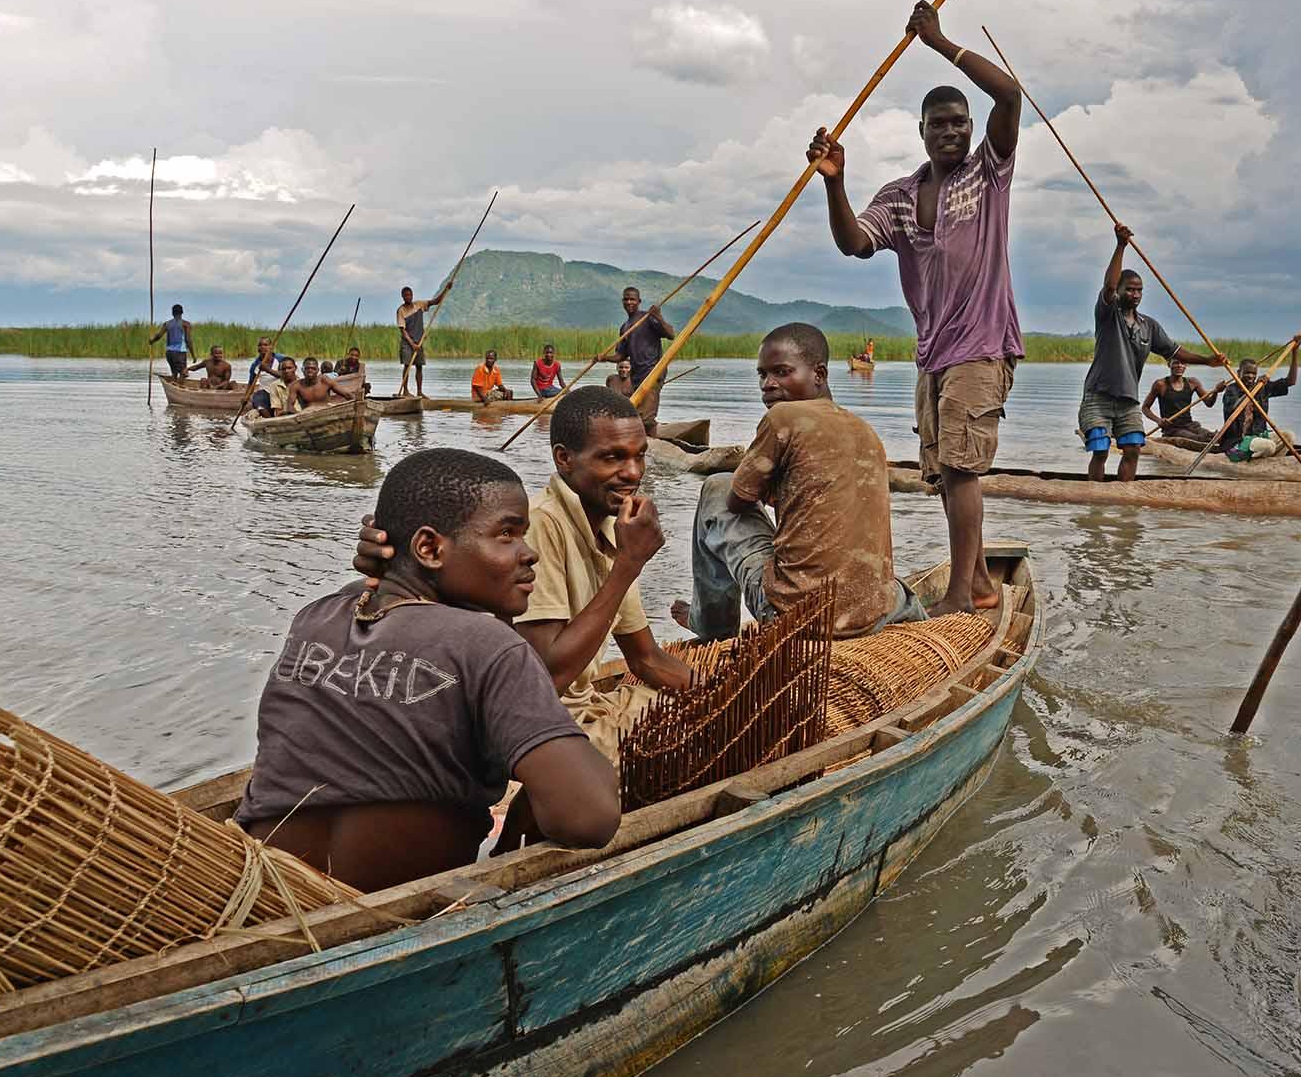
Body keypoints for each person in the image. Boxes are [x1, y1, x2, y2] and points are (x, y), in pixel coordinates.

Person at [235, 448, 620, 893]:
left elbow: (386, 598)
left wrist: (394, 562)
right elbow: (592, 819)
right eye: (507, 534)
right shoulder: (490, 646)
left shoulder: (317, 616)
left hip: (268, 888)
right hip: (389, 909)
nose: (529, 553)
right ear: (430, 548)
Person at [808, 0, 1023, 614]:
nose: (952, 131)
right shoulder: (902, 195)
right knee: (942, 471)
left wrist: (939, 41)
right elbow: (855, 243)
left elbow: (1008, 96)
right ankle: (979, 578)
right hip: (933, 351)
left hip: (981, 342)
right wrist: (834, 181)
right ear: (923, 133)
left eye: (960, 121)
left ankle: (963, 591)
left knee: (961, 468)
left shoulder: (988, 173)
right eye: (940, 124)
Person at [356, 387, 694, 764]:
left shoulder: (617, 533)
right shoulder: (540, 525)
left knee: (699, 717)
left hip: (583, 710)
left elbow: (644, 657)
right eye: (612, 457)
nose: (632, 473)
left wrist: (713, 693)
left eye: (639, 456)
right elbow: (546, 678)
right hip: (542, 723)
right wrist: (629, 565)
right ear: (564, 459)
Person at [669, 323, 926, 643]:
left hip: (795, 615)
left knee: (717, 488)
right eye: (762, 375)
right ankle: (916, 616)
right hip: (875, 610)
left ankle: (711, 625)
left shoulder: (783, 419)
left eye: (781, 372)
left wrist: (764, 488)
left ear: (818, 374)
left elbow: (736, 503)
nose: (768, 384)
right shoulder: (865, 430)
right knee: (893, 587)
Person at [1079, 223, 1227, 482]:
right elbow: (1109, 286)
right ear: (1121, 291)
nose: (1135, 294)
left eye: (1139, 290)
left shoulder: (1149, 325)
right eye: (1130, 289)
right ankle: (1095, 501)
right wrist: (1121, 245)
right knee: (1101, 450)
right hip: (1099, 395)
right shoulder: (1108, 314)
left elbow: (1175, 351)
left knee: (1134, 448)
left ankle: (1125, 497)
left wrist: (1207, 360)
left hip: (1128, 400)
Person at [598, 286, 674, 434]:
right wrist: (604, 358)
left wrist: (659, 316)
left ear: (639, 301)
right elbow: (621, 356)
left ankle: (652, 444)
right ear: (622, 302)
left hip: (653, 371)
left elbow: (671, 335)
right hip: (637, 376)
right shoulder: (625, 327)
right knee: (637, 414)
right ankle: (644, 439)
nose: (629, 302)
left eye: (632, 299)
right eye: (626, 299)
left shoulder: (648, 318)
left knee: (646, 418)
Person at [1219, 345, 1301, 461]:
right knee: (1269, 446)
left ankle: (1272, 462)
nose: (1251, 376)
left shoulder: (1262, 387)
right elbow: (1235, 407)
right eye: (1247, 373)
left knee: (1289, 436)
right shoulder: (1231, 390)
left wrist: (1295, 352)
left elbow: (1291, 381)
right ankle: (1254, 459)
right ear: (1238, 373)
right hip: (1237, 440)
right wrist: (1253, 388)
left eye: (1254, 373)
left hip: (1259, 435)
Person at [1144, 360, 1219, 447]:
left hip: (1190, 425)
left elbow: (1209, 403)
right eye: (1176, 363)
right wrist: (1158, 420)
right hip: (1173, 429)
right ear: (1169, 364)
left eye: (1183, 363)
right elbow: (1145, 407)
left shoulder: (1193, 382)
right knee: (1199, 440)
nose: (1180, 366)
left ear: (1186, 365)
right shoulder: (1160, 384)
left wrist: (1216, 392)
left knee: (1214, 436)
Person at [395, 283, 449, 399]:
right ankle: (405, 391)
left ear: (412, 295)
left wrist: (445, 290)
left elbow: (435, 302)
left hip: (418, 342)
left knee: (419, 366)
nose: (408, 297)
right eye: (406, 295)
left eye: (410, 295)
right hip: (408, 342)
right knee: (407, 365)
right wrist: (412, 344)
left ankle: (419, 392)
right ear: (402, 297)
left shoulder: (419, 305)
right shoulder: (401, 310)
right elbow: (403, 331)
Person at [292, 357, 357, 410]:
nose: (310, 371)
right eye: (307, 368)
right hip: (307, 414)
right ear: (302, 370)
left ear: (318, 370)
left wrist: (357, 402)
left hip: (326, 411)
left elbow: (346, 394)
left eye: (313, 368)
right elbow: (290, 406)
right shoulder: (297, 385)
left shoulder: (324, 380)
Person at [150, 305, 194, 380]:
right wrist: (193, 355)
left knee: (174, 373)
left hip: (169, 353)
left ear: (172, 313)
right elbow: (188, 340)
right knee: (183, 373)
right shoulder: (186, 324)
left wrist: (152, 341)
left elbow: (158, 336)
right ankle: (180, 389)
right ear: (182, 313)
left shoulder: (167, 324)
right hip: (180, 352)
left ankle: (175, 384)